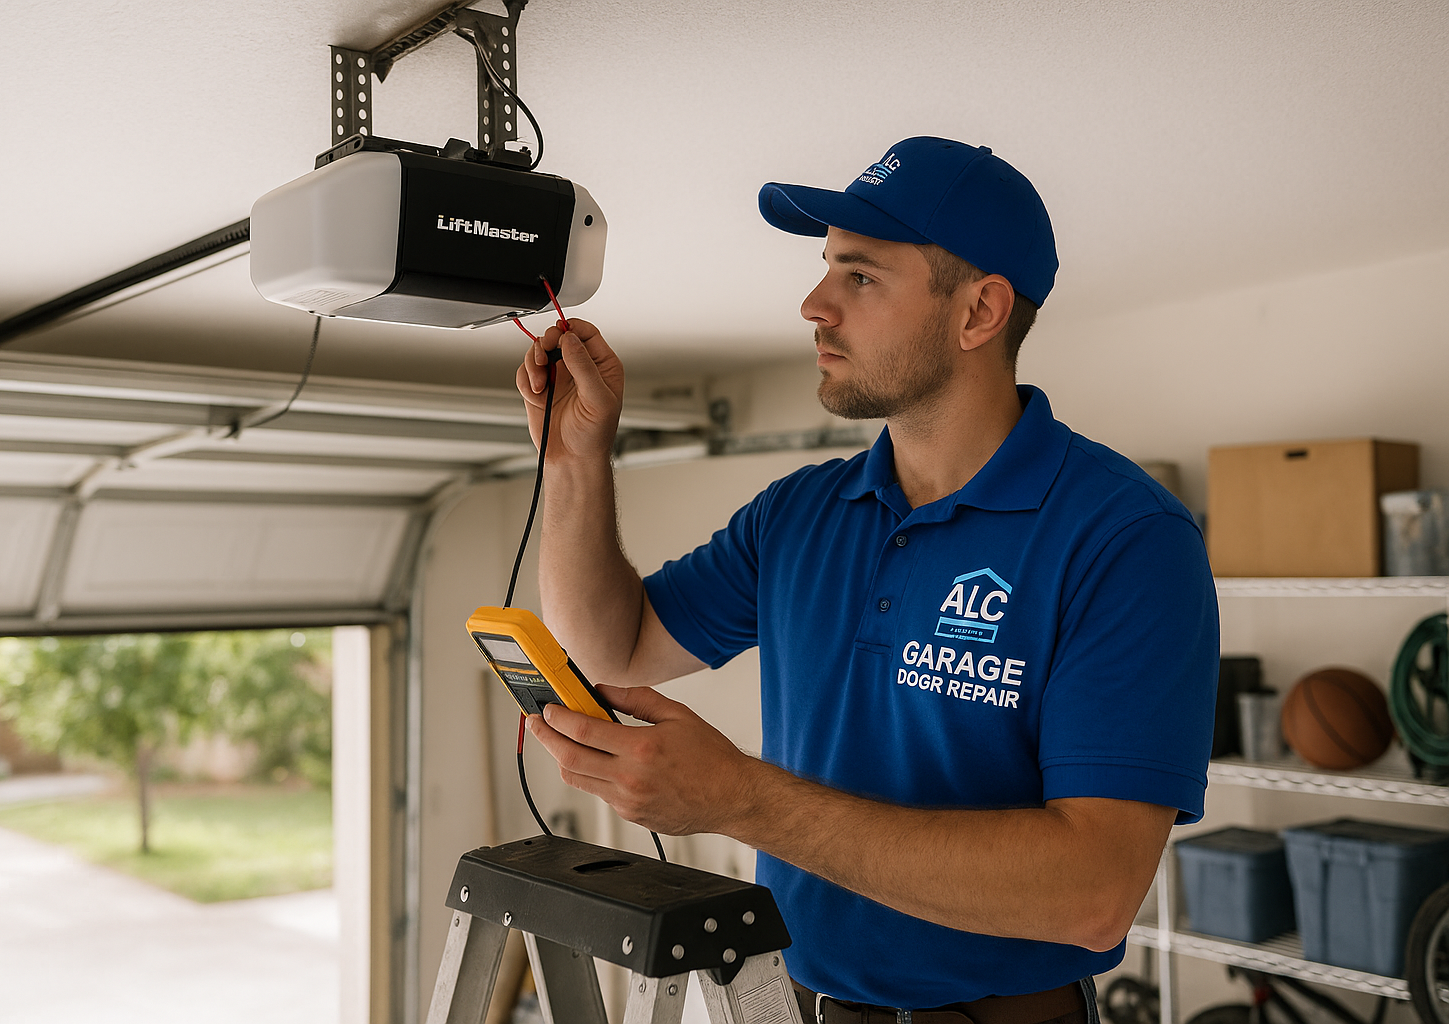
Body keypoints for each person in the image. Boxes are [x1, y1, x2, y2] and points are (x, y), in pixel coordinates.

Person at [515, 136, 1219, 1024]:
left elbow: (1092, 892)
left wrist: (740, 799)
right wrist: (577, 458)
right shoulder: (801, 513)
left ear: (978, 313)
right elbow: (609, 645)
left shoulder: (1125, 538)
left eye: (860, 277)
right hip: (800, 1003)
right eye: (825, 271)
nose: (813, 305)